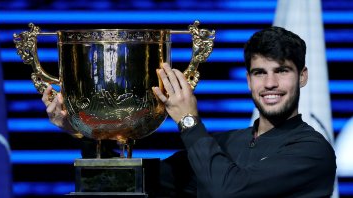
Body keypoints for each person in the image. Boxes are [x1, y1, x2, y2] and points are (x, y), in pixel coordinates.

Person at [42, 26, 336, 197]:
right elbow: (131, 182)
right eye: (260, 73)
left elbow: (228, 192)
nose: (270, 83)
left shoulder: (312, 150)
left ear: (303, 76)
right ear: (248, 80)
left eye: (281, 71)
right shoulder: (224, 144)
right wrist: (87, 129)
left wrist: (187, 119)